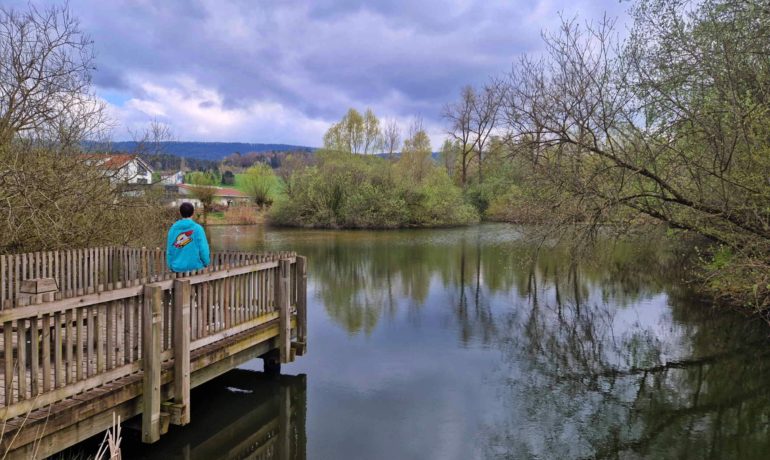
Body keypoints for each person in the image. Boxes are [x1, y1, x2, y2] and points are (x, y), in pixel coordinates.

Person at [166, 202, 210, 272]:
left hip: (177, 269)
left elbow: (169, 250)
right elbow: (203, 248)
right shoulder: (198, 229)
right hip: (195, 269)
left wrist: (170, 265)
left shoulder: (173, 229)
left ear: (180, 213)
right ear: (193, 213)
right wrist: (206, 263)